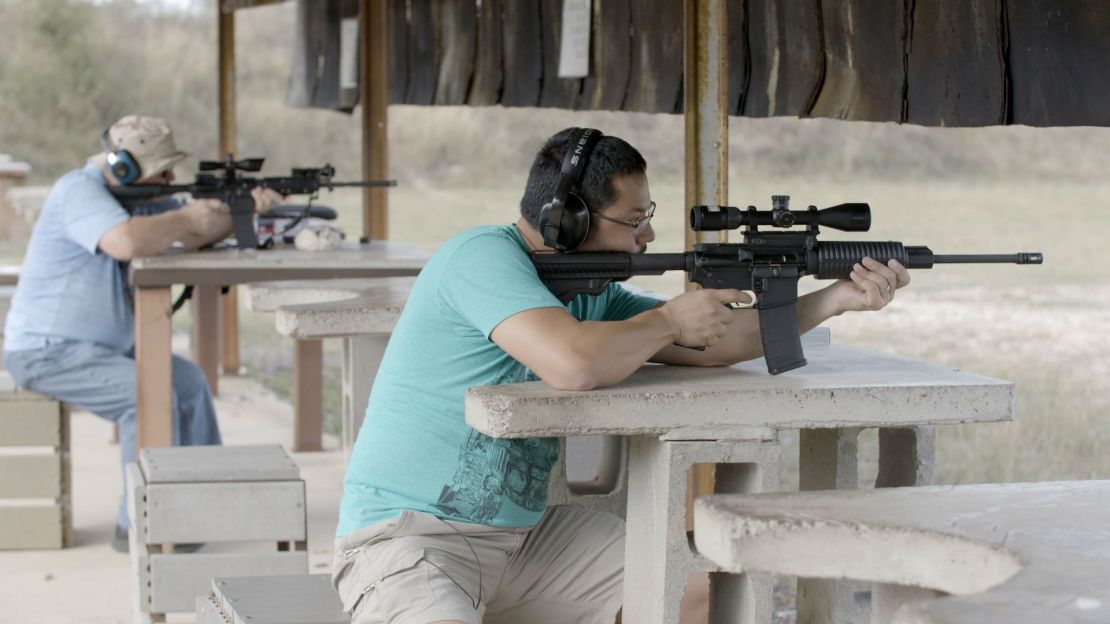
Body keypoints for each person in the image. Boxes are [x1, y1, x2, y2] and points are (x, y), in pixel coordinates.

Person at [330, 127, 910, 624]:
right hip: (411, 541)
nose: (647, 236)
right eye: (635, 220)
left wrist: (832, 299)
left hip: (527, 542)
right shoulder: (479, 256)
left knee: (699, 598)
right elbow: (574, 364)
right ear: (567, 219)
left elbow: (713, 341)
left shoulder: (590, 293)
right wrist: (665, 319)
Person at [2, 115, 282, 553]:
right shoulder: (78, 190)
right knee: (146, 395)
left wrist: (239, 210)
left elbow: (193, 233)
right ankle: (139, 521)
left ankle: (206, 501)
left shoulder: (140, 199)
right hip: (46, 351)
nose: (170, 178)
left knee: (189, 385)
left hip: (97, 351)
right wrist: (186, 215)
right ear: (124, 167)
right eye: (162, 170)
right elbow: (125, 242)